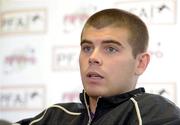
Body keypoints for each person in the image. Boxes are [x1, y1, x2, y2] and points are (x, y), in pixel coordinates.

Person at [16, 8, 180, 125]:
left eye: (110, 49)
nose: (93, 58)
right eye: (87, 48)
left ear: (140, 63)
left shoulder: (155, 113)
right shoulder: (55, 116)